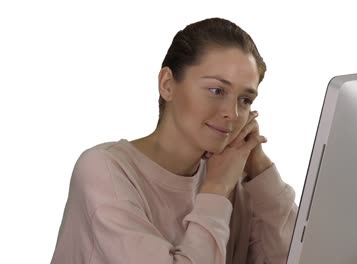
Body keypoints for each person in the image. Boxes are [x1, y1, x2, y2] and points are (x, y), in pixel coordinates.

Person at [51, 17, 298, 264]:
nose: (232, 114)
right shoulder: (104, 170)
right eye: (217, 90)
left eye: (245, 100)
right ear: (167, 85)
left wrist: (259, 168)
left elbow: (300, 257)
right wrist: (217, 189)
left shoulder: (236, 180)